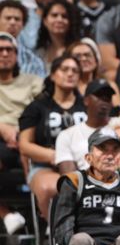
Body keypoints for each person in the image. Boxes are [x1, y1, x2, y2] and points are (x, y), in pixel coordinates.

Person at [18, 55, 86, 218]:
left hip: (83, 166)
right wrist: (56, 156)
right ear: (53, 75)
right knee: (50, 188)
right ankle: (58, 233)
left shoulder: (87, 105)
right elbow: (24, 145)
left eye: (75, 71)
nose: (70, 74)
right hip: (45, 166)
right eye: (64, 69)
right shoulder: (37, 106)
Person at [0, 32, 44, 172]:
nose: (5, 54)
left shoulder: (33, 81)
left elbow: (45, 109)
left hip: (28, 133)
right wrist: (2, 128)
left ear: (16, 54)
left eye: (9, 50)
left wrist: (23, 134)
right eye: (0, 50)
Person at [54, 79, 115, 173]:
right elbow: (70, 179)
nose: (104, 100)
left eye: (108, 96)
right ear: (86, 100)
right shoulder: (67, 135)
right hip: (85, 186)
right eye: (99, 96)